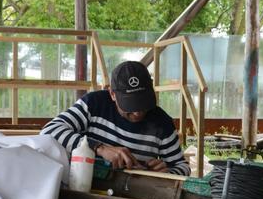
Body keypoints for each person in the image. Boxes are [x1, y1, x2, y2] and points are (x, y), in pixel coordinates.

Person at [41, 61, 190, 176]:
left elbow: (183, 167)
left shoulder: (162, 123)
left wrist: (166, 173)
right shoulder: (94, 104)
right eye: (130, 106)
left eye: (143, 104)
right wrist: (99, 148)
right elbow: (49, 130)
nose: (138, 113)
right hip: (83, 185)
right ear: (112, 94)